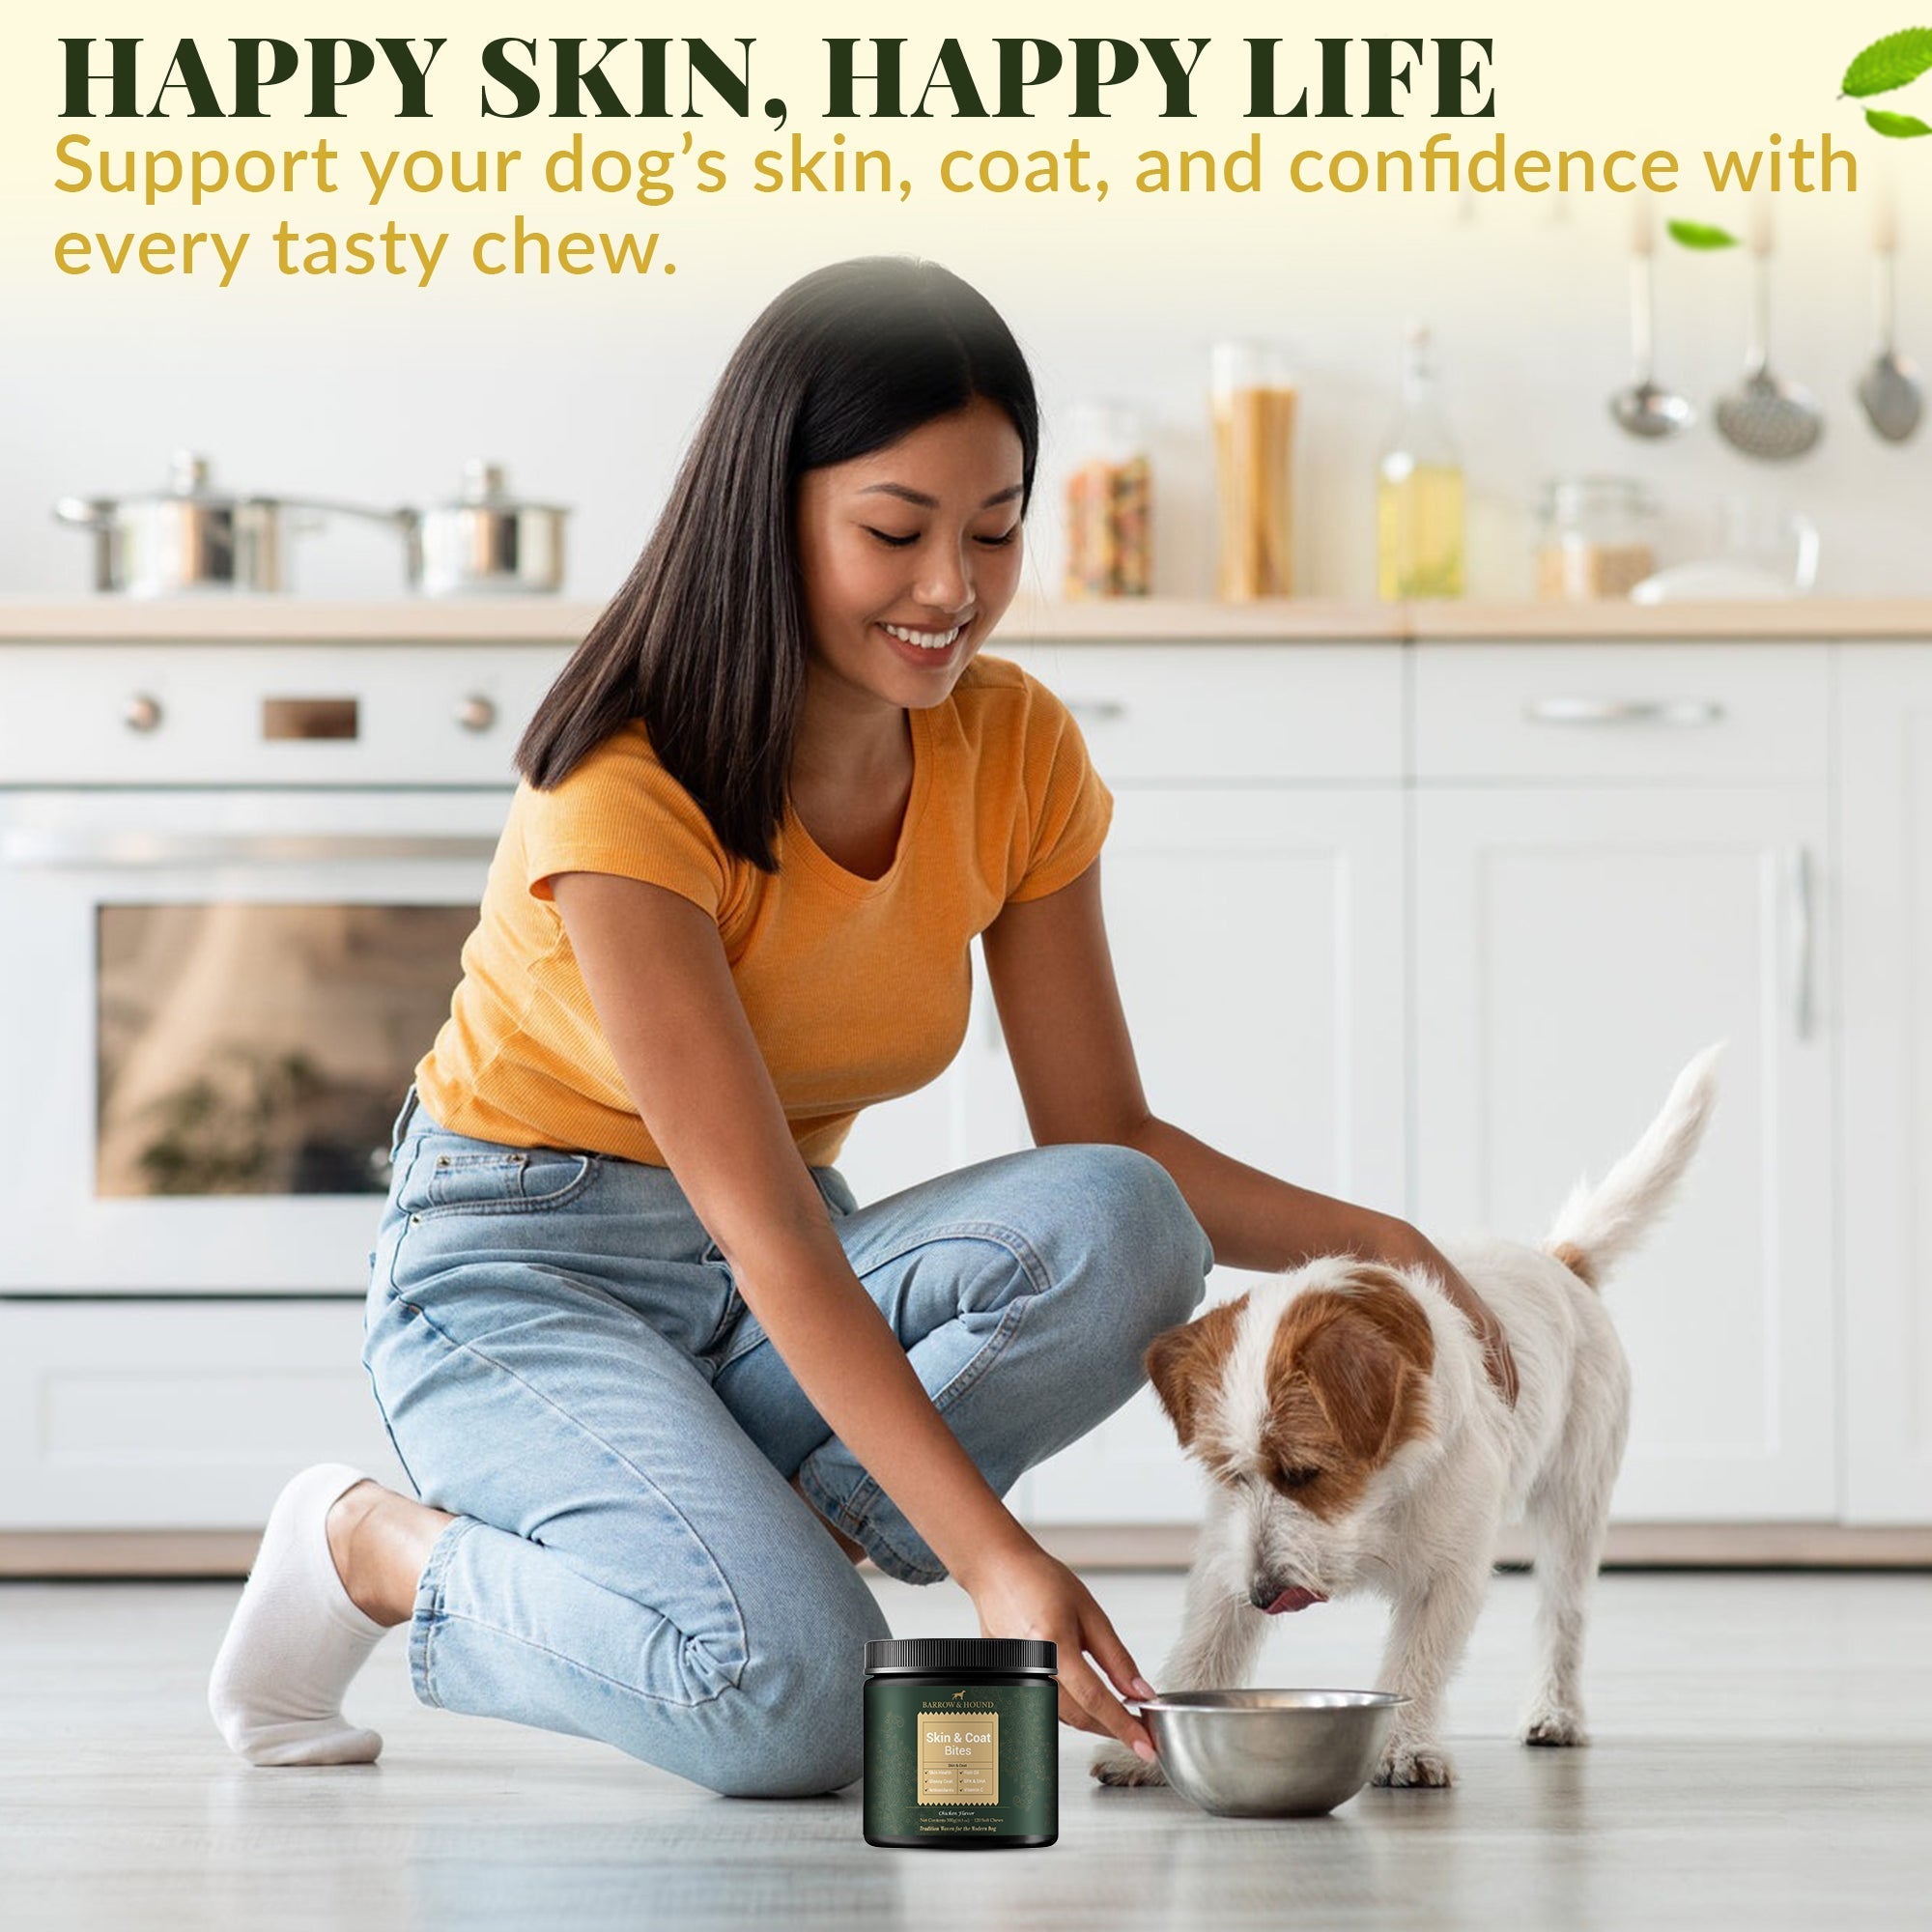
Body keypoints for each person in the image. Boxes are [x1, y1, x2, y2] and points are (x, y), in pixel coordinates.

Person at [207, 255, 1517, 1797]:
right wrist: (996, 1560)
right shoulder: (627, 784)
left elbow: (1106, 1139)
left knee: (1128, 1222)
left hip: (769, 1285)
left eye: (995, 528)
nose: (951, 587)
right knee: (801, 1708)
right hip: (521, 1274)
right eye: (894, 531)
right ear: (773, 513)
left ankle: (747, 1529)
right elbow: (763, 1227)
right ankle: (372, 1551)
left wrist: (1391, 1246)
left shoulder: (1012, 748)